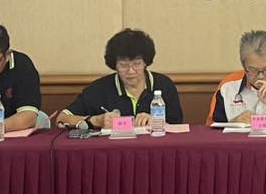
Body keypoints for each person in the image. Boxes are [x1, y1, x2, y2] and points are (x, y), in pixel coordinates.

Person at [55, 28, 184, 129]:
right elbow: (62, 118)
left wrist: (156, 121)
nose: (131, 71)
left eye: (137, 64)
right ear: (114, 65)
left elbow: (177, 125)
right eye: (123, 65)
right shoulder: (99, 89)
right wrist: (96, 120)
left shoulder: (163, 85)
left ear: (146, 62)